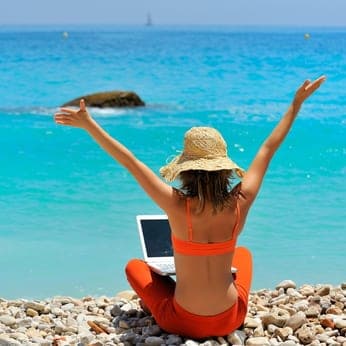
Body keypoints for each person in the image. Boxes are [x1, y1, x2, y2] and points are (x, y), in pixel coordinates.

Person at [54, 76, 325, 339]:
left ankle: (171, 296)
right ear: (224, 169)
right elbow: (268, 148)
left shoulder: (175, 203)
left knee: (135, 267)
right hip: (231, 319)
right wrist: (296, 104)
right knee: (242, 254)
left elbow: (130, 161)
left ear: (185, 171)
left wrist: (89, 124)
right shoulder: (241, 202)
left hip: (181, 321)